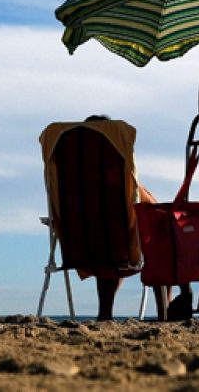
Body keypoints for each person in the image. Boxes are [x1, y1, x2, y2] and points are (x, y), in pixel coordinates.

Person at [80, 116, 169, 321]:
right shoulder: (121, 178)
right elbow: (153, 208)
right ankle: (165, 313)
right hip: (122, 246)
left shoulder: (75, 183)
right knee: (162, 237)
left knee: (108, 248)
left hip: (87, 246)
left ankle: (105, 313)